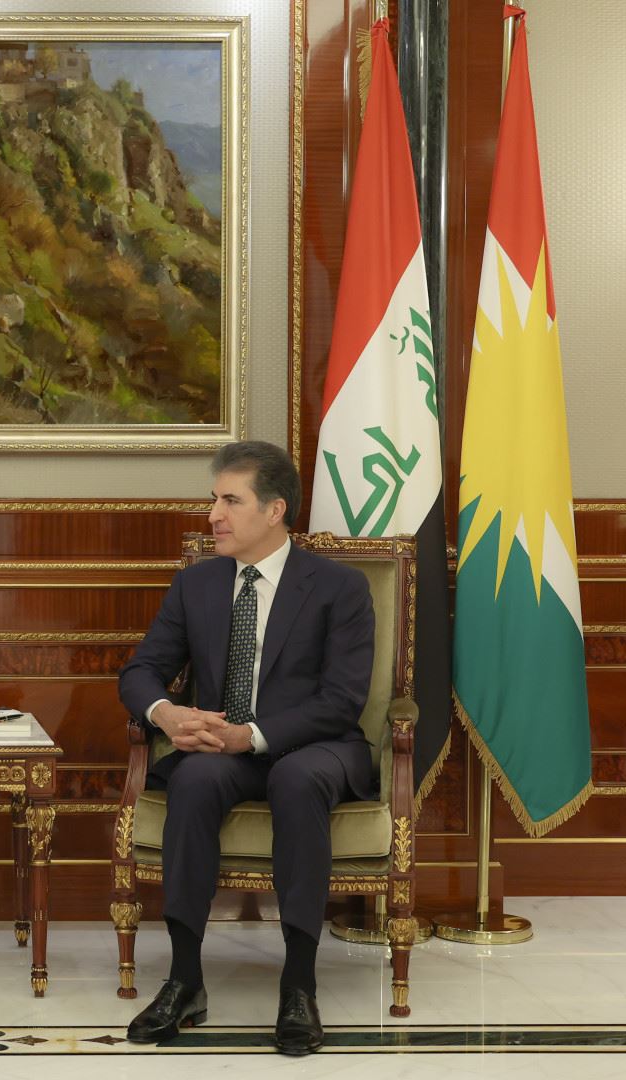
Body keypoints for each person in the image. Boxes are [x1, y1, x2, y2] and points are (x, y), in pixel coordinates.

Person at [118, 440, 375, 1056]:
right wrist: (168, 713)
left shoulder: (339, 587)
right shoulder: (197, 584)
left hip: (315, 746)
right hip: (224, 750)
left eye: (230, 501)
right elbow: (141, 671)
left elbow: (341, 701)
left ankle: (299, 986)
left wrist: (251, 735)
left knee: (296, 779)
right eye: (214, 500)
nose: (214, 515)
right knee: (193, 779)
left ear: (275, 510)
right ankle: (184, 980)